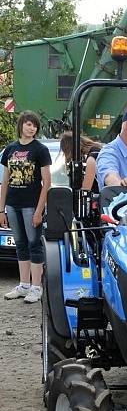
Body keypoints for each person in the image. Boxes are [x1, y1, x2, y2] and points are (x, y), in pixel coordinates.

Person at [0, 110, 51, 303]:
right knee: (20, 245)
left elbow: (47, 182)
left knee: (34, 245)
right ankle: (24, 285)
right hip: (12, 204)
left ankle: (36, 287)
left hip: (31, 204)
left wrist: (39, 211)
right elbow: (5, 181)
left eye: (35, 125)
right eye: (29, 124)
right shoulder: (10, 149)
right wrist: (1, 208)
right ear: (21, 124)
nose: (32, 128)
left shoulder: (40, 150)